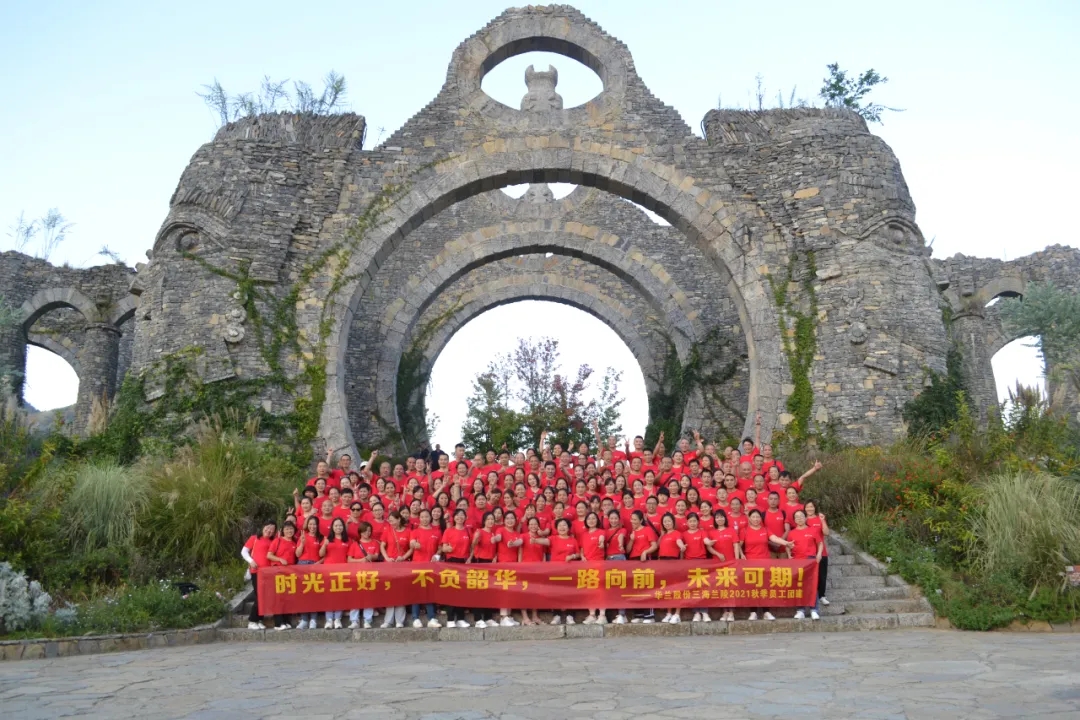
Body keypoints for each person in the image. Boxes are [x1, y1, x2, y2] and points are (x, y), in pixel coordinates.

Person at [740, 509, 789, 621]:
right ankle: (753, 612)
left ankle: (766, 611)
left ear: (761, 519)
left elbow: (774, 538)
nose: (756, 519)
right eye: (753, 517)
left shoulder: (765, 529)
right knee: (752, 588)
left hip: (765, 562)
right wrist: (741, 554)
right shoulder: (744, 530)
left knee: (765, 587)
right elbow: (739, 544)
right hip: (751, 563)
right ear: (749, 518)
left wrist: (786, 543)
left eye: (758, 517)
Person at [784, 509, 823, 620]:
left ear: (806, 518)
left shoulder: (813, 530)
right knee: (799, 586)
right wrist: (789, 555)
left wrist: (819, 554)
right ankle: (800, 610)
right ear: (794, 520)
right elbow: (788, 545)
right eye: (796, 517)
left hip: (810, 561)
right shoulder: (792, 533)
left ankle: (814, 610)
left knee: (812, 585)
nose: (799, 518)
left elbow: (820, 543)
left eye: (801, 516)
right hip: (797, 561)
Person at [241, 521, 278, 630]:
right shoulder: (255, 538)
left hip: (268, 573)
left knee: (265, 597)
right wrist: (251, 561)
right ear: (263, 527)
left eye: (272, 529)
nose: (269, 530)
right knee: (260, 596)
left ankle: (259, 619)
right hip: (256, 571)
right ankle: (252, 620)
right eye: (268, 527)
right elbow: (244, 551)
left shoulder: (273, 541)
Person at [440, 509, 472, 628]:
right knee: (452, 590)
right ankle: (450, 619)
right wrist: (447, 549)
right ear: (454, 518)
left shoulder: (468, 531)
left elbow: (472, 547)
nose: (460, 517)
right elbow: (443, 547)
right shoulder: (449, 531)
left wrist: (470, 558)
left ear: (466, 517)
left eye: (462, 515)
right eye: (457, 515)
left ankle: (460, 618)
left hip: (463, 563)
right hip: (452, 562)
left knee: (461, 591)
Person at [379, 510, 412, 628]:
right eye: (389, 521)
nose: (391, 523)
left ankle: (399, 620)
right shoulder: (388, 530)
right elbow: (382, 546)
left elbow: (411, 548)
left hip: (402, 564)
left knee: (400, 592)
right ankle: (388, 620)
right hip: (389, 564)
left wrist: (403, 557)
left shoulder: (408, 531)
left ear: (399, 519)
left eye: (393, 520)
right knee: (390, 592)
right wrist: (387, 558)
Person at [346, 521, 381, 629]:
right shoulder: (355, 544)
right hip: (357, 573)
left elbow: (377, 556)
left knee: (369, 597)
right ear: (360, 532)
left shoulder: (375, 543)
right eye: (365, 531)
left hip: (370, 574)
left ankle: (367, 620)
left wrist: (371, 557)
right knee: (355, 597)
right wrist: (361, 560)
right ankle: (354, 620)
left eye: (369, 531)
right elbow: (349, 560)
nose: (367, 533)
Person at [467, 511, 499, 628]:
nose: (490, 521)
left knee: (489, 592)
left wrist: (495, 557)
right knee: (479, 592)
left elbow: (495, 549)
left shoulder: (493, 534)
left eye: (492, 519)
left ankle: (488, 617)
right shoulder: (479, 532)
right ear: (484, 521)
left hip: (491, 563)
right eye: (488, 519)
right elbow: (473, 545)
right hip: (480, 562)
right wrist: (475, 539)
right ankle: (478, 618)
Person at [548, 518, 581, 625]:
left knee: (569, 592)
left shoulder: (573, 540)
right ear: (556, 528)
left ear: (568, 527)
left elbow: (578, 554)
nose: (562, 527)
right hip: (555, 571)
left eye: (564, 525)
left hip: (569, 571)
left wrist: (572, 556)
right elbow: (544, 541)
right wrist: (535, 540)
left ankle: (570, 615)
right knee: (555, 592)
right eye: (560, 526)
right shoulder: (553, 538)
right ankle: (556, 615)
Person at [627, 510, 659, 623]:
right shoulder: (632, 532)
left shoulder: (647, 530)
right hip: (633, 560)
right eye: (631, 519)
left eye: (635, 519)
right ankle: (639, 614)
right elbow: (628, 550)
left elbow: (654, 545)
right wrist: (631, 539)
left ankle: (649, 615)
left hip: (645, 561)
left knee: (646, 587)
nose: (632, 521)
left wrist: (645, 552)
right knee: (636, 588)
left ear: (641, 520)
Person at [320, 517, 351, 628]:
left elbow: (349, 557)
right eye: (336, 525)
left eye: (340, 525)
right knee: (329, 595)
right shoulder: (327, 539)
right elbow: (321, 554)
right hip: (328, 571)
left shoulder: (348, 540)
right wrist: (324, 545)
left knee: (340, 595)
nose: (338, 527)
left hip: (342, 571)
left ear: (343, 527)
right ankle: (329, 619)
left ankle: (337, 618)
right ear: (332, 527)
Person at [494, 511, 523, 627]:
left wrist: (514, 543)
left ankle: (509, 616)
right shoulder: (500, 530)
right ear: (504, 520)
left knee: (511, 591)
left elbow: (520, 541)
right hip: (503, 564)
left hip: (513, 565)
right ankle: (503, 616)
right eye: (507, 518)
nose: (510, 520)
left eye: (512, 518)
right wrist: (496, 538)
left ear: (515, 520)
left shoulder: (517, 533)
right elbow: (498, 537)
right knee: (504, 591)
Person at [519, 516, 549, 626]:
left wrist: (544, 567)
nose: (533, 526)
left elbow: (543, 554)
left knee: (535, 593)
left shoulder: (541, 538)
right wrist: (519, 566)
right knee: (524, 593)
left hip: (538, 569)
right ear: (528, 526)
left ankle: (535, 616)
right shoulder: (523, 536)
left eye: (535, 524)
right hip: (525, 568)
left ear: (538, 526)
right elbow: (520, 551)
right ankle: (525, 617)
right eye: (531, 524)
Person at [656, 513, 685, 623]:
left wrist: (682, 546)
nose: (667, 523)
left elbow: (679, 542)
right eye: (665, 522)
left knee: (677, 589)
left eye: (669, 521)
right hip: (663, 563)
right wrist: (661, 534)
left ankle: (677, 614)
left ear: (673, 522)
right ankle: (669, 613)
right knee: (667, 589)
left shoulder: (677, 533)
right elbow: (658, 546)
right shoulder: (663, 536)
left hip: (674, 563)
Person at [579, 511, 606, 624]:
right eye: (589, 518)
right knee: (590, 590)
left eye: (593, 518)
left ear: (597, 520)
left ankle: (602, 615)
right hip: (587, 565)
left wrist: (601, 543)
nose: (591, 520)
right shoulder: (583, 535)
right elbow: (581, 548)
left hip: (598, 564)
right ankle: (592, 614)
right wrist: (582, 556)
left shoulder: (601, 532)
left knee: (600, 590)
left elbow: (602, 539)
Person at [803, 500, 831, 608]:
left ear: (815, 508)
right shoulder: (803, 519)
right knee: (808, 577)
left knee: (822, 575)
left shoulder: (819, 518)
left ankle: (822, 596)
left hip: (821, 552)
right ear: (804, 508)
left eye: (811, 507)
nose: (809, 509)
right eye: (807, 507)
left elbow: (826, 533)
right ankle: (809, 596)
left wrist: (823, 520)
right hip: (807, 552)